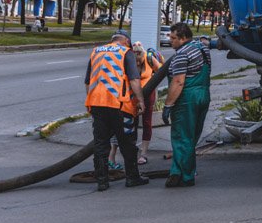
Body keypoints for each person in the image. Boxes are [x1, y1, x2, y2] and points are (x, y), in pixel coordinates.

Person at [83, 30, 150, 192]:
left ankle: (102, 181)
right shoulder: (125, 52)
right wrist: (141, 101)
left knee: (100, 144)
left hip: (97, 105)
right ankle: (132, 178)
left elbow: (87, 82)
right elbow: (134, 80)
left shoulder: (96, 52)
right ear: (126, 41)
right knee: (127, 142)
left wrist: (92, 102)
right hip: (120, 106)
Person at [161, 22, 210, 188]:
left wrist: (168, 105)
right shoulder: (201, 48)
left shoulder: (181, 54)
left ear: (182, 38)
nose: (171, 41)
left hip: (186, 99)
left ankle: (186, 177)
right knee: (191, 137)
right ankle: (176, 172)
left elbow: (178, 82)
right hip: (203, 95)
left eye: (173, 38)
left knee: (182, 138)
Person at [131, 42, 163, 165]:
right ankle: (132, 150)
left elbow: (160, 71)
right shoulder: (130, 60)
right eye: (135, 62)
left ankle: (143, 153)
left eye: (139, 62)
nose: (137, 64)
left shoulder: (149, 58)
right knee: (131, 122)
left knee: (146, 122)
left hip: (148, 95)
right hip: (133, 95)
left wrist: (152, 82)